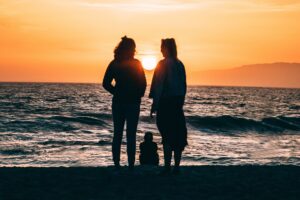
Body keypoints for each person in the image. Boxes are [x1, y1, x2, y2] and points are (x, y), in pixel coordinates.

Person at [103, 36, 147, 170]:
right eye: (133, 48)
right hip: (132, 103)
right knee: (130, 134)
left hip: (119, 102)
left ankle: (118, 164)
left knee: (118, 133)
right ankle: (130, 165)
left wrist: (116, 92)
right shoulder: (136, 63)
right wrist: (138, 94)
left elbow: (106, 83)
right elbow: (143, 83)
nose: (134, 50)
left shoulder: (115, 63)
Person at [149, 38, 187, 175]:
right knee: (178, 135)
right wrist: (181, 102)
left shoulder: (162, 64)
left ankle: (167, 167)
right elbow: (184, 86)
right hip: (177, 104)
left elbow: (159, 86)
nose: (160, 50)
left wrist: (154, 105)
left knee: (167, 135)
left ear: (167, 48)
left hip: (165, 103)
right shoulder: (180, 64)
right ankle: (176, 166)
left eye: (162, 47)